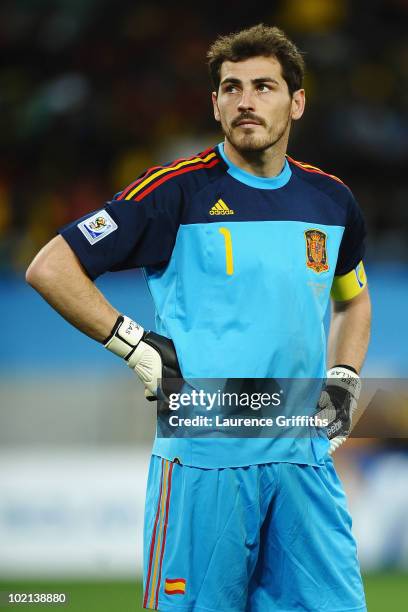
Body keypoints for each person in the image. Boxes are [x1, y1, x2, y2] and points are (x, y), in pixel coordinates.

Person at [26, 24, 371, 612]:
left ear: (297, 101)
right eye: (230, 88)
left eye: (264, 86)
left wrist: (342, 380)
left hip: (302, 462)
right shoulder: (174, 193)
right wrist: (133, 344)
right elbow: (51, 266)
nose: (245, 101)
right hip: (204, 458)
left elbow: (354, 299)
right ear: (214, 104)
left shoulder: (332, 201)